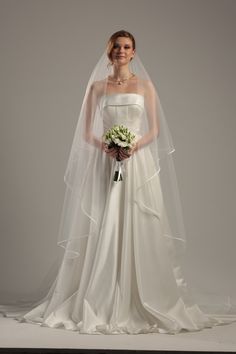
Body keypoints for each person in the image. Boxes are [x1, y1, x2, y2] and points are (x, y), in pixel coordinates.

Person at [1, 30, 236, 335]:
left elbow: (155, 131)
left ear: (134, 52)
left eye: (127, 47)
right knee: (105, 222)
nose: (121, 51)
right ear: (108, 50)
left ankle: (141, 297)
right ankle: (100, 296)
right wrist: (107, 147)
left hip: (137, 164)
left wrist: (134, 146)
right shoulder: (97, 88)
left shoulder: (145, 86)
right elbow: (86, 133)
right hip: (106, 162)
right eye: (116, 46)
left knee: (139, 222)